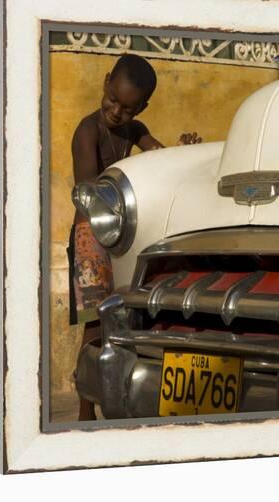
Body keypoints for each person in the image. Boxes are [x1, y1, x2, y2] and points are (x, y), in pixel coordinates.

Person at [68, 53, 201, 420]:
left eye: (127, 109)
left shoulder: (135, 129)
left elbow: (157, 155)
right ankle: (84, 408)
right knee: (94, 323)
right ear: (106, 81)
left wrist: (180, 149)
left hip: (121, 235)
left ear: (142, 106)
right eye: (113, 101)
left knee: (119, 315)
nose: (116, 112)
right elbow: (89, 189)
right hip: (91, 237)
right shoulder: (88, 131)